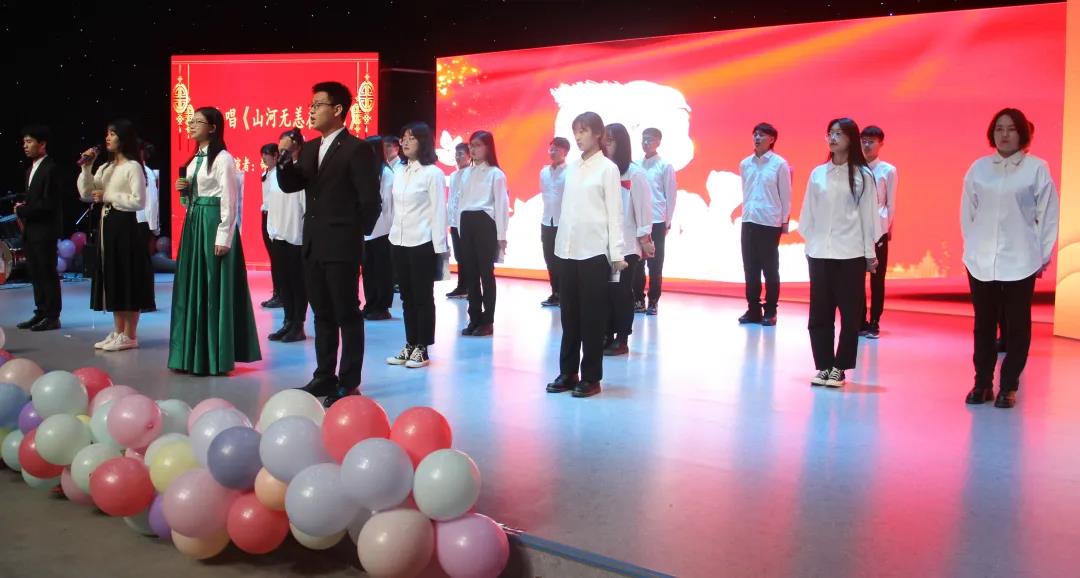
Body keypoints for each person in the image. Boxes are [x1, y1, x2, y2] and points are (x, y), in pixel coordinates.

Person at [277, 81, 382, 406]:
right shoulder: (310, 148)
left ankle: (348, 381)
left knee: (346, 314)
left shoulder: (356, 149)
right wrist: (284, 157)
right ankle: (324, 374)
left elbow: (370, 201)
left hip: (341, 244)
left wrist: (352, 234)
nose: (311, 111)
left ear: (337, 110)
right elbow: (291, 185)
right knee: (322, 313)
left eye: (317, 105)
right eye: (310, 105)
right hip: (313, 243)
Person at [961, 108, 1059, 409]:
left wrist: (1042, 256)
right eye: (999, 128)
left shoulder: (1036, 168)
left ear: (1022, 134)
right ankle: (982, 383)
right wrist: (972, 248)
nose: (1004, 134)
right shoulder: (979, 168)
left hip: (1021, 260)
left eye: (1011, 129)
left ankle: (1009, 386)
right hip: (981, 261)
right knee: (983, 325)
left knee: (1017, 327)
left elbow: (1048, 215)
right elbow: (968, 212)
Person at [168, 107, 261, 374]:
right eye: (191, 121)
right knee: (192, 287)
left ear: (213, 128)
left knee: (211, 287)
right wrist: (184, 192)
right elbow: (190, 201)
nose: (191, 125)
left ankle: (212, 356)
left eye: (198, 122)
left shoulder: (223, 159)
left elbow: (229, 201)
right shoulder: (194, 159)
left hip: (212, 225)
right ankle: (189, 354)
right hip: (195, 224)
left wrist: (223, 236)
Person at [545, 112, 626, 399]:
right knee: (569, 316)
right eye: (576, 131)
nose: (578, 137)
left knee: (592, 318)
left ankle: (591, 377)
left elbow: (615, 214)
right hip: (568, 250)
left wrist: (617, 254)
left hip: (594, 252)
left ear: (598, 134)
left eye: (584, 131)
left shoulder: (608, 169)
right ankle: (568, 372)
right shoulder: (572, 168)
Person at [799, 118, 879, 388]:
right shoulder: (818, 174)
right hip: (820, 252)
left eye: (839, 134)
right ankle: (823, 365)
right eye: (830, 133)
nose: (832, 138)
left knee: (849, 313)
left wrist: (869, 254)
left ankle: (840, 367)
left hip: (850, 254)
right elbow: (807, 212)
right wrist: (810, 243)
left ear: (851, 139)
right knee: (819, 312)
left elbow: (869, 218)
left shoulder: (862, 175)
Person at [77, 119, 156, 351]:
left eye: (112, 134)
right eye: (107, 133)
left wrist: (109, 196)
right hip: (108, 225)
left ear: (124, 138)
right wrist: (87, 168)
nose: (107, 138)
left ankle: (130, 335)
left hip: (126, 227)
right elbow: (87, 193)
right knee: (113, 277)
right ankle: (118, 331)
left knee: (126, 277)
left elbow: (139, 201)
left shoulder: (133, 166)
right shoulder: (106, 167)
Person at [386, 122, 447, 369]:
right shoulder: (399, 171)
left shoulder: (433, 173)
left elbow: (438, 212)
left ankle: (423, 346)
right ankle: (410, 343)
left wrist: (440, 249)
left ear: (423, 142)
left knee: (422, 296)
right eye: (404, 137)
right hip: (399, 240)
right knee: (407, 297)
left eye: (411, 138)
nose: (405, 142)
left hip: (422, 242)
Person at [603, 123, 652, 356]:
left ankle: (622, 338)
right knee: (606, 291)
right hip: (604, 244)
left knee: (620, 291)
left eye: (610, 140)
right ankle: (606, 333)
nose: (606, 144)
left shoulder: (635, 174)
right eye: (604, 140)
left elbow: (644, 210)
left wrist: (645, 239)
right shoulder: (603, 171)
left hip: (626, 246)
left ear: (621, 143)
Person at [738, 122, 792, 326]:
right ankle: (753, 309)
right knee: (750, 268)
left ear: (772, 139)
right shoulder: (745, 164)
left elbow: (786, 195)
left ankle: (770, 310)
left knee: (770, 269)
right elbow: (746, 191)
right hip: (749, 219)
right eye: (755, 134)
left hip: (769, 222)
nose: (757, 138)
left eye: (762, 135)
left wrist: (784, 221)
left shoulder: (779, 164)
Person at [457, 130, 509, 337]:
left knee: (486, 274)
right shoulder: (465, 173)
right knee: (470, 273)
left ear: (488, 147)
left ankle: (488, 321)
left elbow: (501, 206)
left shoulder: (496, 174)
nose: (473, 149)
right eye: (471, 145)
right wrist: (459, 228)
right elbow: (460, 202)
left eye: (478, 145)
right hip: (466, 222)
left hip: (485, 223)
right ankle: (474, 317)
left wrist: (501, 235)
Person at [15, 125, 63, 332]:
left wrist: (23, 210)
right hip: (32, 230)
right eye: (24, 142)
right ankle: (41, 311)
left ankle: (52, 316)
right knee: (35, 272)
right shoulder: (30, 170)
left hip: (45, 230)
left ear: (42, 144)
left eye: (29, 142)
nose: (25, 146)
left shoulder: (51, 168)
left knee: (47, 272)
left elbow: (48, 203)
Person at [264, 133, 308, 342]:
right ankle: (288, 321)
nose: (282, 150)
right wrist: (271, 230)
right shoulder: (275, 172)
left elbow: (305, 207)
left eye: (287, 145)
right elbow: (271, 203)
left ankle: (298, 324)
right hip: (278, 235)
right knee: (284, 282)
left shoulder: (302, 170)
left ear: (297, 147)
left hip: (296, 236)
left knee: (297, 282)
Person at [858, 126, 898, 339]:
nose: (867, 145)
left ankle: (875, 320)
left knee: (877, 278)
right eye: (864, 140)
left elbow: (891, 203)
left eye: (871, 141)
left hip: (878, 230)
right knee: (856, 278)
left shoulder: (888, 170)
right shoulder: (854, 167)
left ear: (881, 143)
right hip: (856, 231)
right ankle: (860, 319)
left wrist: (885, 228)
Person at [635, 127, 677, 315]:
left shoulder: (665, 166)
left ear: (658, 142)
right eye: (643, 139)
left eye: (650, 139)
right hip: (638, 220)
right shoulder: (635, 165)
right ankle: (638, 299)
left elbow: (671, 196)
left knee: (655, 263)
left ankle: (653, 300)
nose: (646, 143)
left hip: (657, 220)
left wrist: (667, 222)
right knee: (637, 262)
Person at [362, 135, 396, 321]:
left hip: (382, 229)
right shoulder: (368, 171)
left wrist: (389, 229)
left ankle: (382, 306)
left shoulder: (387, 173)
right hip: (367, 229)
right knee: (368, 270)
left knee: (382, 270)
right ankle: (370, 303)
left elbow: (388, 204)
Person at [540, 137, 569, 307]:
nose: (552, 152)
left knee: (563, 260)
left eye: (557, 149)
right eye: (551, 149)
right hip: (547, 221)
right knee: (549, 259)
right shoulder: (544, 172)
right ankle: (555, 293)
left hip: (563, 222)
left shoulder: (571, 172)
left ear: (565, 152)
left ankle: (565, 294)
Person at [444, 142, 470, 299]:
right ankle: (462, 286)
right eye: (457, 154)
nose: (458, 157)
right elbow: (452, 198)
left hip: (467, 222)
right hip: (454, 222)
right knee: (459, 255)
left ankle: (470, 287)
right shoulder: (453, 176)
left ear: (468, 156)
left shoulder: (472, 174)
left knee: (468, 256)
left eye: (461, 154)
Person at [137, 140, 159, 313]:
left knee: (143, 263)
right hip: (135, 222)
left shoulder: (146, 172)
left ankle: (147, 302)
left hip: (142, 222)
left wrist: (153, 227)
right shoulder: (136, 170)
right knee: (138, 263)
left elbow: (152, 201)